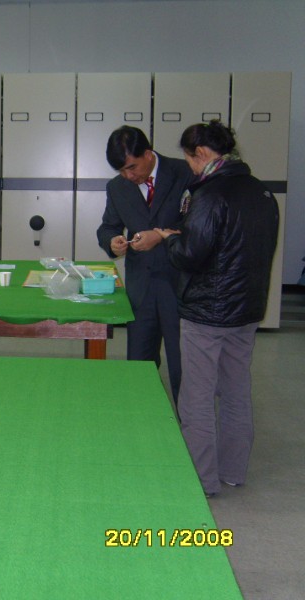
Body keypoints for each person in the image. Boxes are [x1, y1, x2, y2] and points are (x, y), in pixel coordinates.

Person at [155, 120, 278, 497]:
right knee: (236, 390)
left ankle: (201, 480)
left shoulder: (209, 195)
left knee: (197, 397)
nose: (191, 168)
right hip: (247, 309)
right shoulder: (261, 192)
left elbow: (190, 255)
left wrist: (170, 238)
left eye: (190, 160)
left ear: (202, 154)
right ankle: (233, 471)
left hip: (207, 311)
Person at [96, 126, 194, 402]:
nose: (129, 176)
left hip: (180, 284)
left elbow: (199, 226)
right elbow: (108, 226)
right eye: (122, 171)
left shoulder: (184, 173)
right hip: (142, 288)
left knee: (183, 365)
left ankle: (187, 424)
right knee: (139, 363)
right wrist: (112, 241)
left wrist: (161, 237)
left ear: (148, 154)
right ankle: (142, 418)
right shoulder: (117, 187)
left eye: (132, 167)